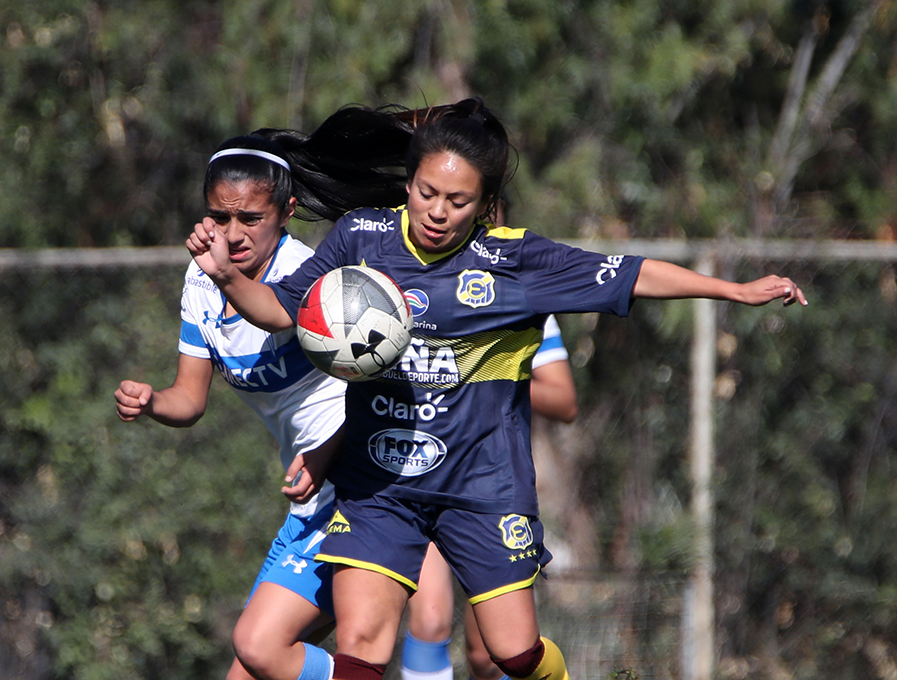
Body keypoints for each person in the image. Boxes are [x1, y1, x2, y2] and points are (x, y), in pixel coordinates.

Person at [186, 97, 807, 680]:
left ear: (484, 204)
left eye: (458, 200)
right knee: (362, 644)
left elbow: (635, 274)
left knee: (513, 654)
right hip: (381, 481)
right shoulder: (361, 237)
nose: (437, 211)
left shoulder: (514, 262)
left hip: (481, 483)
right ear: (408, 183)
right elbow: (282, 310)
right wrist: (226, 276)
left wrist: (736, 291)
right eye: (427, 192)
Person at [114, 136, 354, 680]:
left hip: (351, 486)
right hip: (307, 504)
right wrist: (152, 401)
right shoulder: (202, 278)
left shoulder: (307, 271)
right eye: (220, 216)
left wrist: (226, 275)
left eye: (251, 217)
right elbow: (189, 398)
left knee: (258, 646)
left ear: (286, 212)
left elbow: (279, 317)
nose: (233, 233)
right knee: (252, 666)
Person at [403, 317, 577, 680]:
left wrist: (484, 374)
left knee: (488, 653)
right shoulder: (408, 287)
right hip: (419, 480)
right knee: (429, 622)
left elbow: (564, 401)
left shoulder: (517, 295)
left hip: (489, 487)